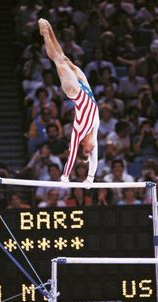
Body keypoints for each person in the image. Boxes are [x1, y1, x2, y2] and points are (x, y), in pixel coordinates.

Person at [38, 18, 100, 184]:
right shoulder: (94, 133)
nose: (92, 150)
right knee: (63, 57)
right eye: (90, 153)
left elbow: (72, 154)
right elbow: (95, 160)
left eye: (87, 152)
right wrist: (90, 178)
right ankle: (49, 28)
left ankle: (44, 33)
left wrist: (65, 176)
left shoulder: (78, 132)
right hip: (87, 88)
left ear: (82, 147)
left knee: (58, 60)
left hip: (75, 92)